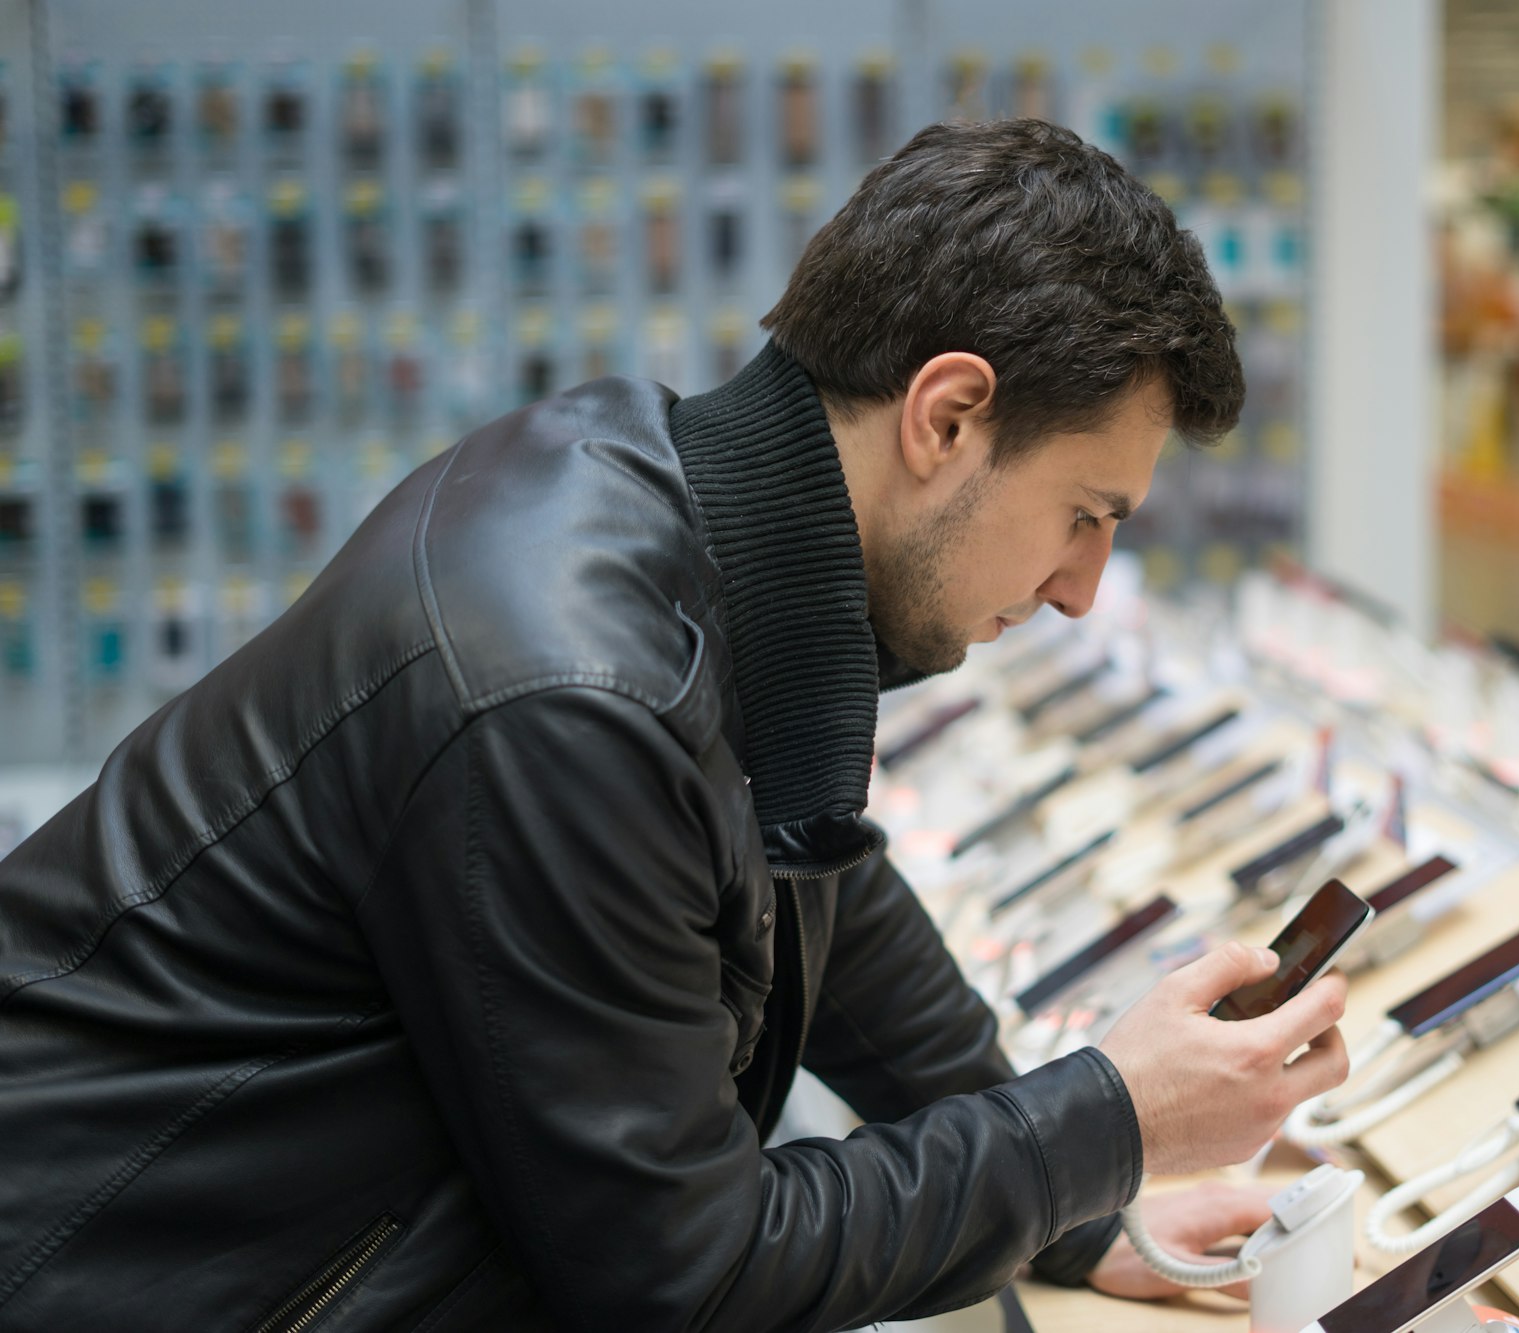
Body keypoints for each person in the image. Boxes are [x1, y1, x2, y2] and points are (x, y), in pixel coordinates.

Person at [0, 119, 1350, 1332]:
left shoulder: (695, 506)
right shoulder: (570, 699)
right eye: (1086, 514)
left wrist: (1079, 1208)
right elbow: (680, 1274)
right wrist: (1100, 1126)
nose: (1078, 591)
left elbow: (818, 879)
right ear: (947, 416)